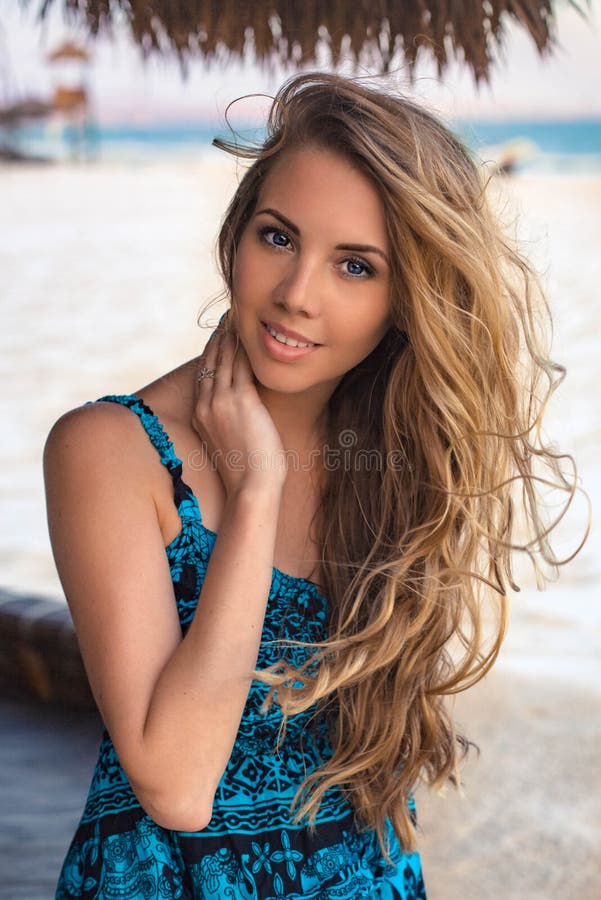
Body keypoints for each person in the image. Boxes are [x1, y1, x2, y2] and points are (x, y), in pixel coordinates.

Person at [44, 73, 584, 900]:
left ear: (407, 299)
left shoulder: (398, 458)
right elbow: (176, 787)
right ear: (237, 233)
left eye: (355, 266)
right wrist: (255, 489)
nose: (297, 296)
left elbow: (384, 764)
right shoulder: (113, 453)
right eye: (278, 237)